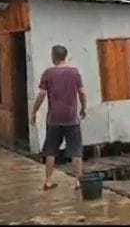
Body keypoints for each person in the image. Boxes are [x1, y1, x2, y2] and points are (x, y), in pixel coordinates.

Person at [31, 45, 87, 191]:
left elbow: (41, 95)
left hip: (54, 119)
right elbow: (82, 92)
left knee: (51, 150)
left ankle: (48, 181)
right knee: (75, 150)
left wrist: (34, 111)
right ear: (65, 56)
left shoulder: (48, 74)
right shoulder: (74, 73)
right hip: (71, 118)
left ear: (53, 56)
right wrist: (83, 108)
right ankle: (78, 182)